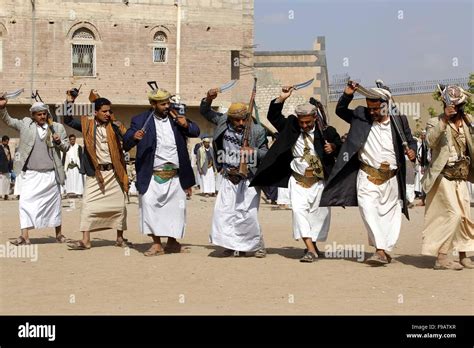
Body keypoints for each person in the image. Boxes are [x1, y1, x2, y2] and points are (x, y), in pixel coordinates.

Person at [320, 81, 417, 266]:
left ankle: (385, 248)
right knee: (368, 209)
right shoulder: (360, 115)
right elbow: (340, 110)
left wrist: (412, 151)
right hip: (366, 176)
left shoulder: (399, 120)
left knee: (390, 216)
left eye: (376, 109)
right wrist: (347, 95)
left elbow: (410, 141)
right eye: (369, 108)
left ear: (386, 106)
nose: (371, 112)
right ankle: (379, 250)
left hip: (391, 179)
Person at [251, 87, 341, 262]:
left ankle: (313, 247)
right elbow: (274, 117)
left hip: (319, 182)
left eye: (308, 122)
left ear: (315, 118)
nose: (305, 126)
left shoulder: (327, 132)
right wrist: (281, 98)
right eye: (302, 122)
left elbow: (339, 143)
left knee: (317, 216)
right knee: (299, 213)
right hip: (298, 181)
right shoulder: (291, 127)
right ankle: (310, 249)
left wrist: (334, 147)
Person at [123, 88, 200, 256]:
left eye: (168, 102)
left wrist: (186, 124)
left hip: (176, 175)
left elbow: (196, 131)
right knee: (150, 208)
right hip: (151, 174)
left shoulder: (176, 118)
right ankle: (156, 244)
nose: (167, 106)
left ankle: (173, 243)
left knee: (176, 210)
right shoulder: (140, 120)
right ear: (153, 104)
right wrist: (134, 137)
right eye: (163, 104)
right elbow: (126, 143)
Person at [200, 88, 268, 257]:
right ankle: (229, 244)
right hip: (228, 175)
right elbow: (205, 112)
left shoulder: (258, 131)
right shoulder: (223, 121)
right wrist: (208, 99)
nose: (240, 123)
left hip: (249, 177)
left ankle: (255, 245)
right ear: (230, 118)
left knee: (247, 214)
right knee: (224, 213)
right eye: (236, 120)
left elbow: (266, 153)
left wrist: (252, 151)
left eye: (243, 119)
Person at [64, 93, 130, 250]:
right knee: (88, 205)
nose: (108, 114)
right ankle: (85, 240)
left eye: (109, 111)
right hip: (96, 173)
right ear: (95, 112)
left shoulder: (115, 126)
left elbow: (128, 139)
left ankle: (120, 238)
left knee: (119, 207)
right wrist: (69, 102)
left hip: (114, 173)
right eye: (105, 111)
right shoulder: (87, 125)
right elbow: (67, 120)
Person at [0, 98, 69, 245]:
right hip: (31, 174)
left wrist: (58, 141)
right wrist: (2, 108)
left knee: (54, 205)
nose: (42, 117)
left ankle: (59, 234)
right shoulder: (26, 124)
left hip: (51, 174)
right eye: (38, 114)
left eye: (44, 114)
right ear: (33, 115)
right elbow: (9, 121)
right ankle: (24, 236)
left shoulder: (57, 127)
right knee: (25, 203)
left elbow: (66, 147)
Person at [421, 85, 474, 270]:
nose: (457, 109)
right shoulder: (434, 122)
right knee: (453, 214)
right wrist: (444, 119)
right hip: (443, 176)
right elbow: (430, 141)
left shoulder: (469, 122)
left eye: (459, 106)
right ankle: (441, 256)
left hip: (462, 176)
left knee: (465, 216)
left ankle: (463, 255)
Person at [0, 135, 12, 200]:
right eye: (6, 141)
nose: (7, 143)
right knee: (1, 182)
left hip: (7, 167)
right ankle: (1, 195)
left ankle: (6, 194)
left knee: (7, 182)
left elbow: (9, 156)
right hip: (1, 168)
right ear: (3, 141)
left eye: (8, 141)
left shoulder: (7, 147)